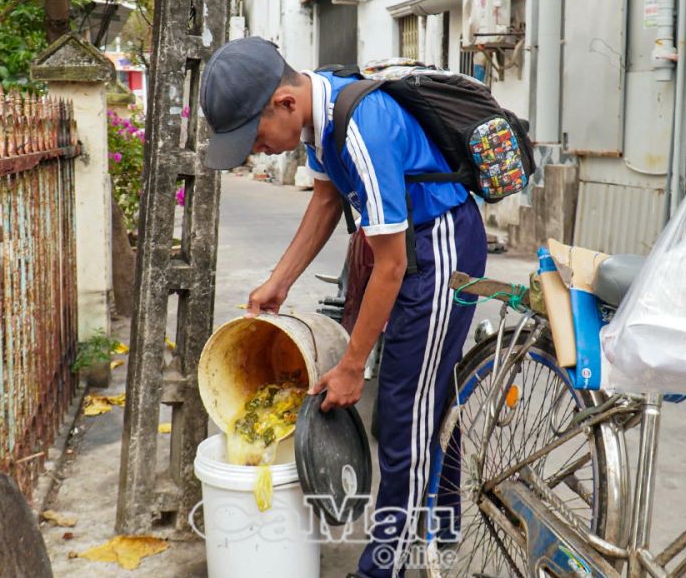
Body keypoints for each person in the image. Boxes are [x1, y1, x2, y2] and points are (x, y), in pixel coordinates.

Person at [199, 36, 487, 578]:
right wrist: (278, 281)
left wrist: (353, 365)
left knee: (402, 416)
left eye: (253, 136)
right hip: (407, 249)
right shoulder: (319, 116)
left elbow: (391, 266)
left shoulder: (360, 127)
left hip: (438, 248)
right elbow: (327, 200)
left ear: (284, 102)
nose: (254, 151)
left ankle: (386, 566)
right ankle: (441, 530)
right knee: (423, 400)